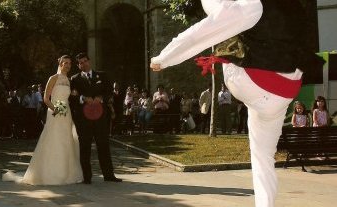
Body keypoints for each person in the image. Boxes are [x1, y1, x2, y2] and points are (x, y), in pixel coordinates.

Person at [150, 1, 324, 206]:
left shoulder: (253, 4)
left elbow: (202, 31)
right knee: (262, 157)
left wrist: (164, 58)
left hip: (253, 83)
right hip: (284, 93)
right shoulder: (296, 8)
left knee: (223, 17)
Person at [3, 55, 83, 185]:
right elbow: (46, 98)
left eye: (69, 63)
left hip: (66, 112)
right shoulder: (53, 78)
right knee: (54, 138)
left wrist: (73, 96)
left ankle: (66, 173)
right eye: (65, 63)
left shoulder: (68, 80)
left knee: (67, 139)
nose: (68, 65)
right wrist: (56, 109)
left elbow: (67, 99)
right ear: (60, 64)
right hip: (55, 111)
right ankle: (51, 173)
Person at [70, 52, 122, 183]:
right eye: (80, 62)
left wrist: (101, 98)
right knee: (85, 147)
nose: (83, 64)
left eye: (85, 61)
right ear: (78, 65)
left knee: (103, 145)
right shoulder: (74, 79)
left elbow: (110, 92)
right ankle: (86, 177)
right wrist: (83, 98)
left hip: (101, 118)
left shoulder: (102, 75)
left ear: (89, 61)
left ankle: (109, 175)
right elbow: (72, 97)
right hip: (83, 119)